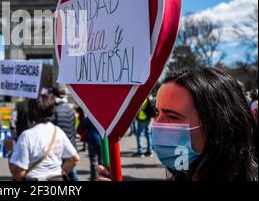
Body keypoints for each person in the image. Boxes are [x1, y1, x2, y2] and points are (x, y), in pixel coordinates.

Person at [98, 68, 258, 181]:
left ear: (218, 125)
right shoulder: (183, 174)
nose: (157, 124)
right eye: (157, 113)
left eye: (173, 117)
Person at [7, 92, 80, 181]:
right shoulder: (58, 131)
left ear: (32, 112)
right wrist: (59, 174)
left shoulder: (27, 135)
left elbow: (18, 175)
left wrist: (10, 152)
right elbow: (74, 158)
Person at [51, 87, 78, 181]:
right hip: (72, 146)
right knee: (73, 174)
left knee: (62, 175)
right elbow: (73, 128)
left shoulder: (55, 111)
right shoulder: (70, 109)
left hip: (60, 149)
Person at [80, 116, 101, 181]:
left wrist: (85, 117)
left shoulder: (90, 116)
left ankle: (94, 178)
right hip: (101, 140)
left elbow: (83, 125)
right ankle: (102, 176)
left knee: (93, 161)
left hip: (92, 139)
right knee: (101, 160)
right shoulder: (102, 115)